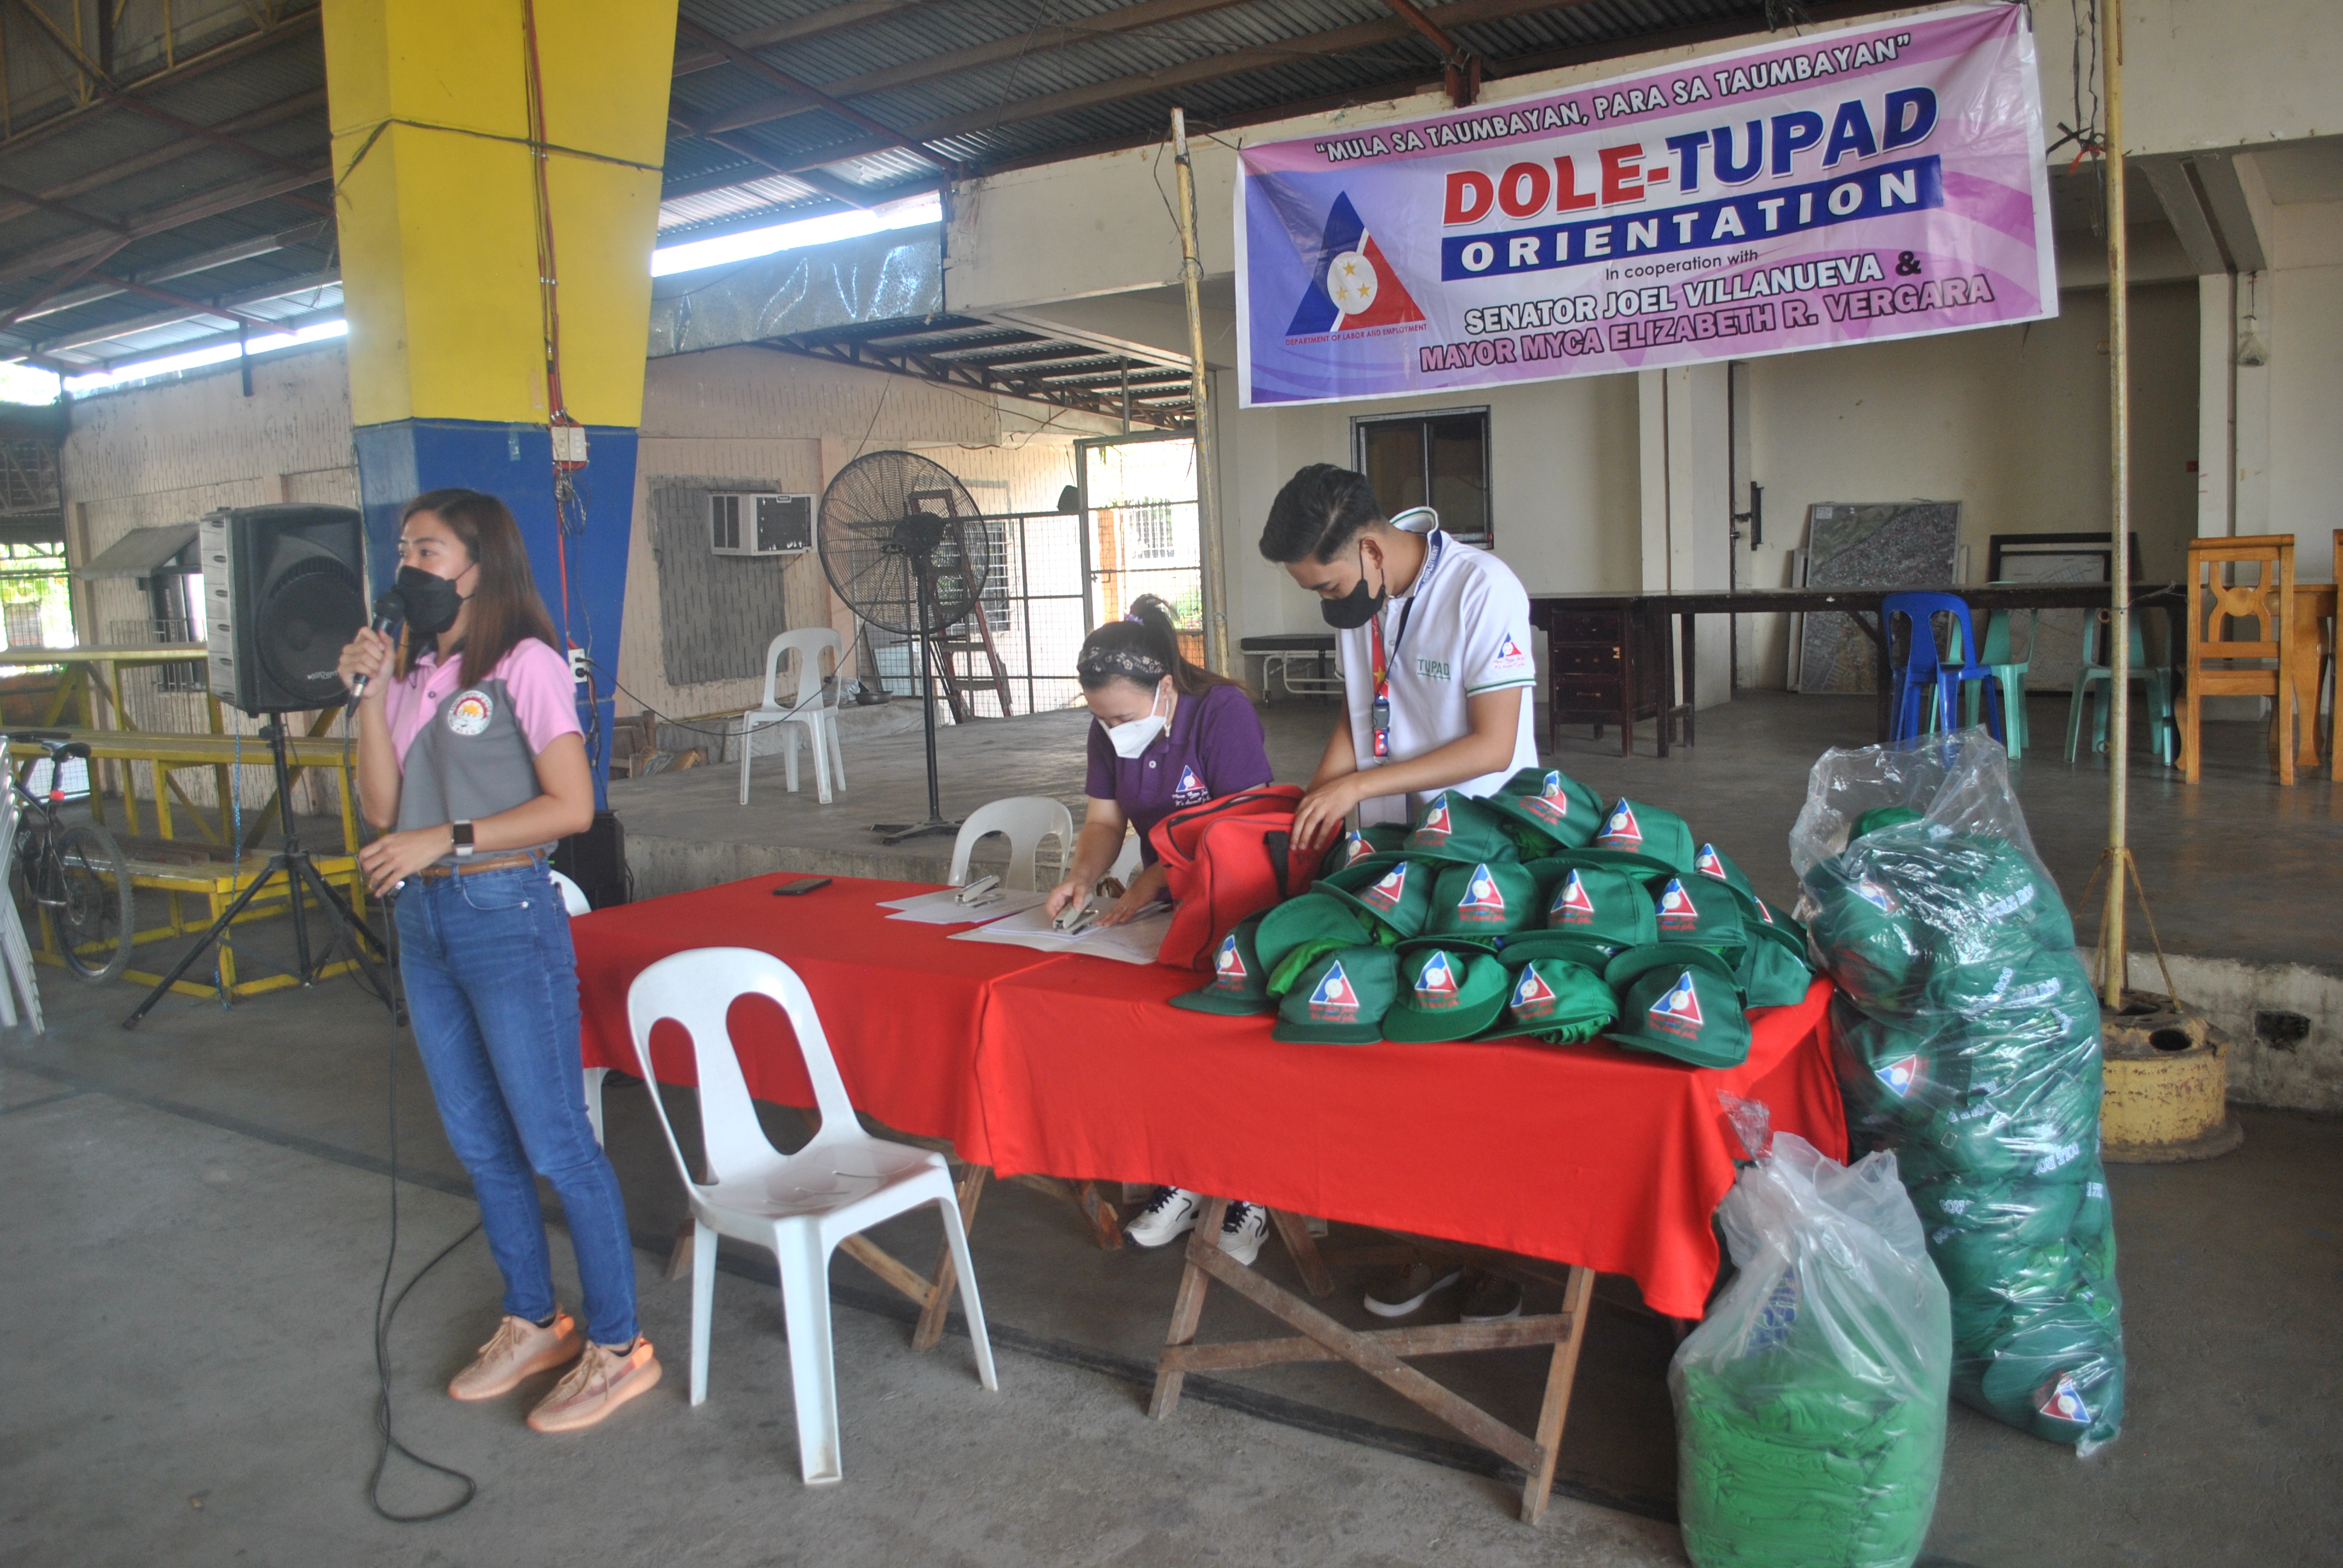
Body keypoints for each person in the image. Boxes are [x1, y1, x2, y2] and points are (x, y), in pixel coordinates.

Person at [336, 488, 660, 1434]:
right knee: (478, 1140)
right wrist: (365, 696)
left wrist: (450, 839)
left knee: (557, 1139)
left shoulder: (526, 663)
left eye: (429, 550)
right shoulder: (409, 673)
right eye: (404, 549)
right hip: (426, 923)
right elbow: (384, 813)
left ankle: (616, 1344)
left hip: (503, 911)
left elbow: (569, 807)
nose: (409, 567)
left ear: (482, 564)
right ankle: (532, 1317)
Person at [1259, 463, 1540, 1322]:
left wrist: (1357, 788)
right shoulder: (1364, 602)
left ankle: (1497, 1258)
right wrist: (1324, 793)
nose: (1328, 602)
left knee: (1465, 1060)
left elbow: (1494, 746)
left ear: (1373, 549)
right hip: (1389, 855)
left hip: (1477, 861)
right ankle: (1425, 1239)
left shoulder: (1482, 590)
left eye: (1332, 583)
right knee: (1392, 1062)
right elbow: (1358, 709)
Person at [1041, 593, 1276, 1264]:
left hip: (1239, 902)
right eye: (1099, 719)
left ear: (1164, 689)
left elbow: (1244, 826)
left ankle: (1249, 1191)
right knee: (1166, 1037)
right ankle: (1185, 1177)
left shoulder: (1220, 713)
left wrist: (1155, 879)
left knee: (1232, 1043)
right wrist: (1081, 877)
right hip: (1172, 909)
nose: (1110, 729)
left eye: (1118, 715)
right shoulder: (1110, 727)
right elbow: (1104, 824)